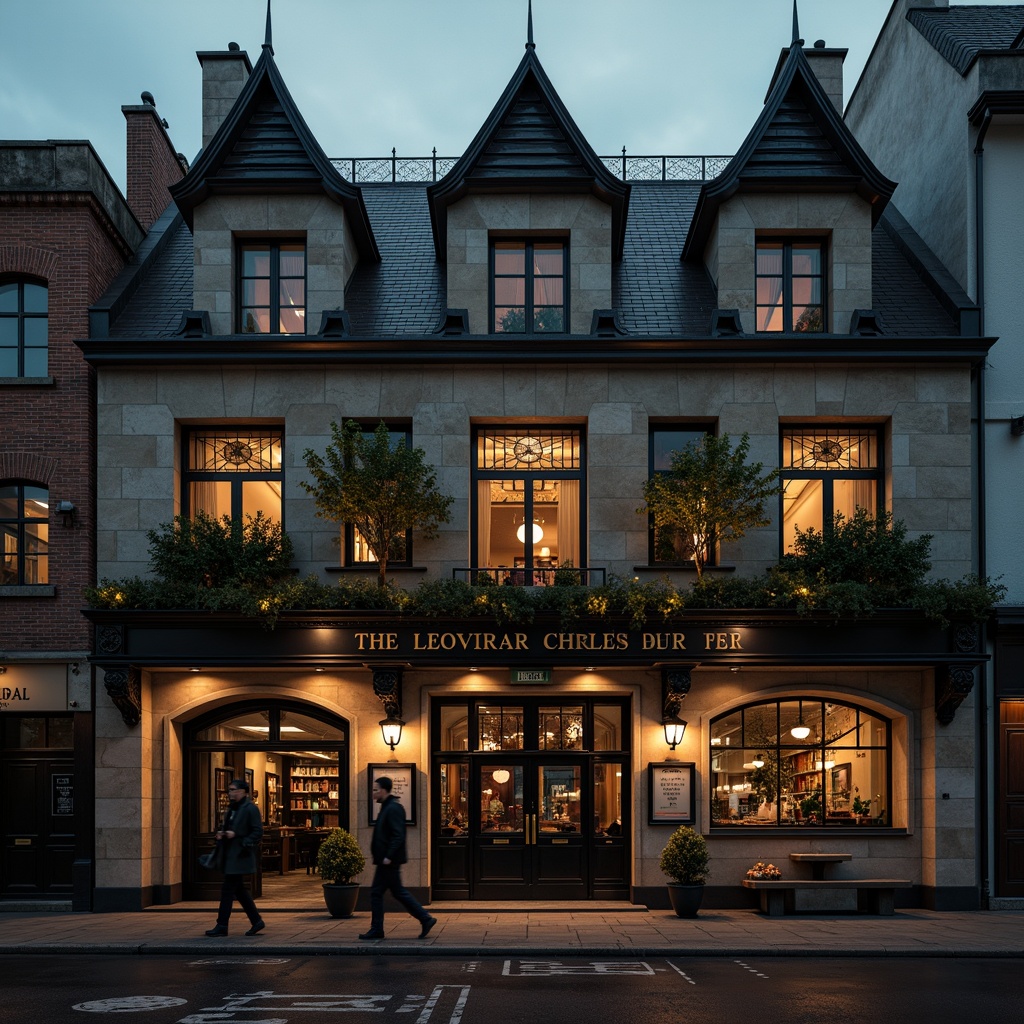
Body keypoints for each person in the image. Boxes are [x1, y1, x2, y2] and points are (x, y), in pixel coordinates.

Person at [359, 776, 437, 941]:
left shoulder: (393, 808)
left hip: (388, 861)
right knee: (394, 892)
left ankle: (378, 929)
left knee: (380, 893)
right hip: (386, 860)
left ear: (384, 790)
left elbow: (398, 835)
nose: (373, 793)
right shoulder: (387, 807)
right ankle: (424, 918)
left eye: (375, 789)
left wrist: (388, 855)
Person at [205, 778, 265, 937]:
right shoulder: (232, 809)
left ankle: (222, 925)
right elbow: (230, 828)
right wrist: (222, 834)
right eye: (230, 790)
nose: (231, 793)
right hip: (231, 855)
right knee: (239, 891)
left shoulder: (250, 808)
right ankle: (256, 921)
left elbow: (257, 832)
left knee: (227, 890)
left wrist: (238, 837)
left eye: (234, 790)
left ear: (243, 792)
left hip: (240, 856)